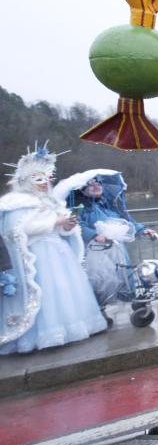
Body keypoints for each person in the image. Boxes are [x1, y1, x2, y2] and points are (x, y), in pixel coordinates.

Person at [0, 145, 107, 354]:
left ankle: (72, 328)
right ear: (26, 181)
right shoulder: (18, 203)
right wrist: (56, 222)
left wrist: (67, 226)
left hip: (59, 252)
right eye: (37, 179)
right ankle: (45, 334)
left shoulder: (50, 201)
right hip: (39, 254)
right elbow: (19, 230)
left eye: (46, 178)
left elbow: (61, 229)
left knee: (64, 290)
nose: (43, 183)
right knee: (48, 292)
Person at [54, 170, 158, 315]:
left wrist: (143, 230)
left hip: (117, 250)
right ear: (82, 189)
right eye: (91, 184)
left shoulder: (109, 204)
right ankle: (98, 311)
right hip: (94, 252)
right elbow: (77, 226)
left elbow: (127, 221)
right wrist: (94, 235)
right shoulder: (77, 208)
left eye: (98, 183)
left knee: (123, 278)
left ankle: (133, 305)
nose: (96, 186)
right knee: (98, 282)